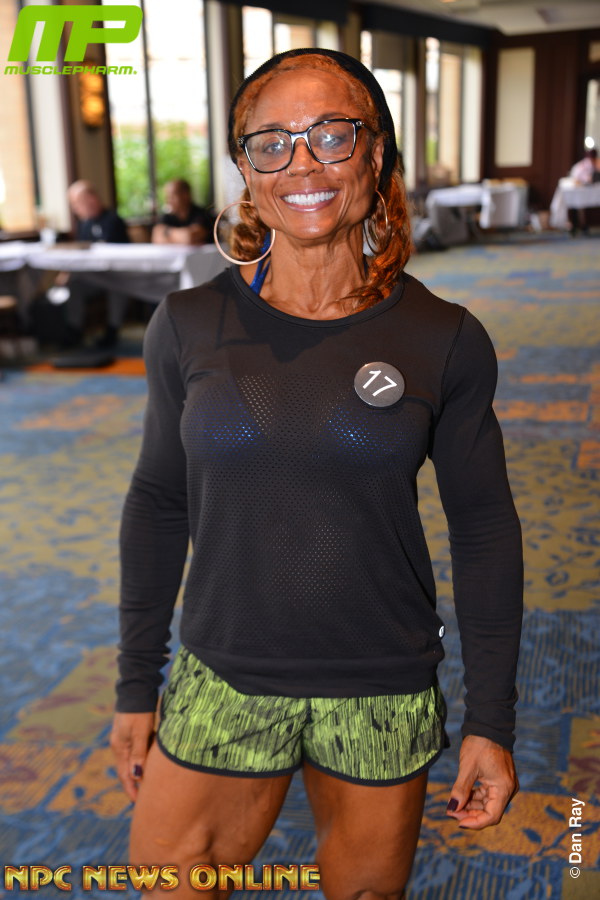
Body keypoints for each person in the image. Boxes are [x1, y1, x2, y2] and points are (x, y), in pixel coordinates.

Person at [110, 48, 523, 899]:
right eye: (271, 143)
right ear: (245, 169)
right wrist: (134, 681)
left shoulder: (443, 337)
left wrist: (492, 720)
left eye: (333, 135)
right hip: (224, 672)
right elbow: (157, 501)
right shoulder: (187, 324)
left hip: (380, 681)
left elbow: (484, 531)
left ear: (376, 154)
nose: (302, 163)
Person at [60, 180, 130, 348]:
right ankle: (74, 329)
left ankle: (112, 330)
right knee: (74, 282)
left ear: (91, 199)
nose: (76, 209)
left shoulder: (113, 221)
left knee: (117, 285)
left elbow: (120, 256)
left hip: (116, 275)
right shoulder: (84, 224)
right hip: (94, 277)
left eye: (78, 203)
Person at [152, 179, 215, 245]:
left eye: (172, 196)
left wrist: (167, 232)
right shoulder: (167, 217)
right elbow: (156, 238)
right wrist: (182, 235)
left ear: (185, 195)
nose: (168, 201)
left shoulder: (203, 214)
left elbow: (190, 237)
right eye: (167, 197)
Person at [568, 148, 600, 235]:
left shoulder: (596, 163)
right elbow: (581, 178)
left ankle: (583, 225)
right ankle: (577, 226)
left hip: (590, 191)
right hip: (578, 191)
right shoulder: (583, 165)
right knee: (576, 207)